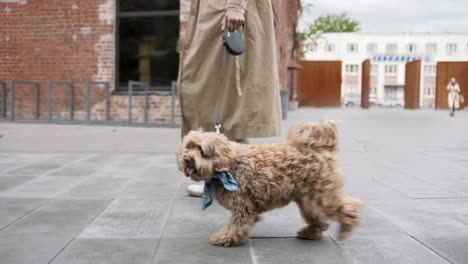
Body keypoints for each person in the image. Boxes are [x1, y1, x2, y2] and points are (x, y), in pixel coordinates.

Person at [177, 0, 282, 196]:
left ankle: (227, 172)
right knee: (208, 89)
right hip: (210, 10)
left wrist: (235, 5)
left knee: (226, 92)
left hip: (225, 9)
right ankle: (237, 171)